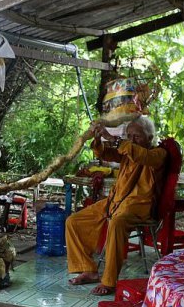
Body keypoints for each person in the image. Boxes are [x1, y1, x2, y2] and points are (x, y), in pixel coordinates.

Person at [65, 116, 166, 295]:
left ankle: (109, 281)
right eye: (129, 136)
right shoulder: (127, 151)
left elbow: (142, 155)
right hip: (115, 201)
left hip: (137, 206)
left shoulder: (157, 154)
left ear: (150, 138)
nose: (132, 140)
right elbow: (105, 153)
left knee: (117, 222)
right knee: (73, 221)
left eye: (137, 137)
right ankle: (88, 270)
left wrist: (113, 138)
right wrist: (98, 139)